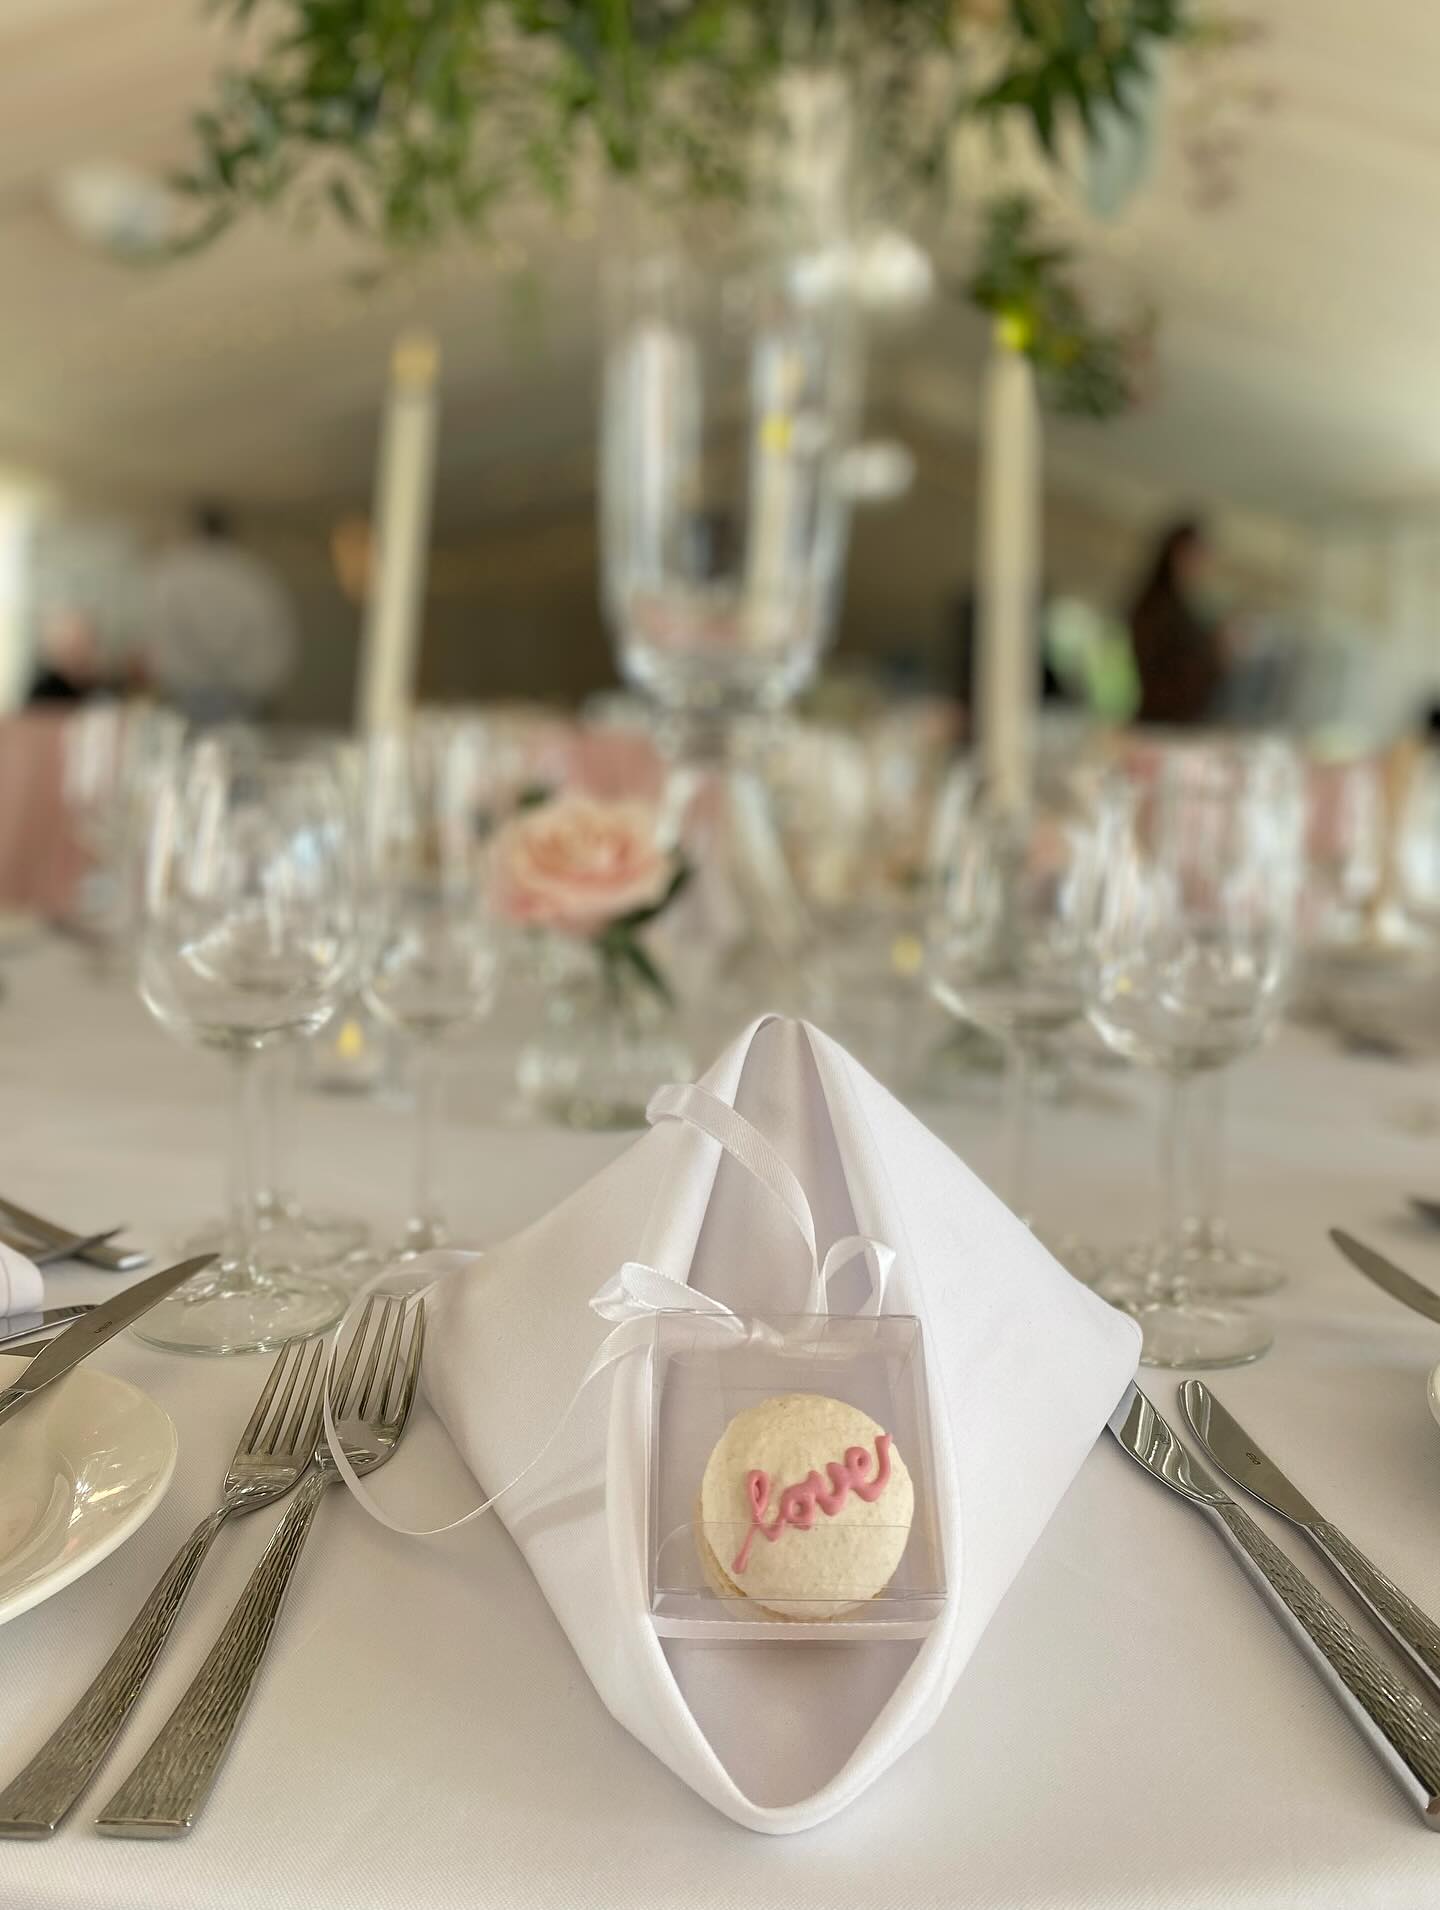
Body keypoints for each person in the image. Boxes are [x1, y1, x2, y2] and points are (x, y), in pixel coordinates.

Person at [142, 503, 297, 723]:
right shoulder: (254, 575)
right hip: (243, 693)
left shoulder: (170, 573)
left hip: (188, 689)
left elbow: (155, 630)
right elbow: (275, 634)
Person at [1127, 517, 1229, 727]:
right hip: (1159, 722)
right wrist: (1214, 654)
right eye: (1194, 555)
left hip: (1180, 722)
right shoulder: (1155, 608)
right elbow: (1162, 676)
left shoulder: (1183, 608)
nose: (1200, 565)